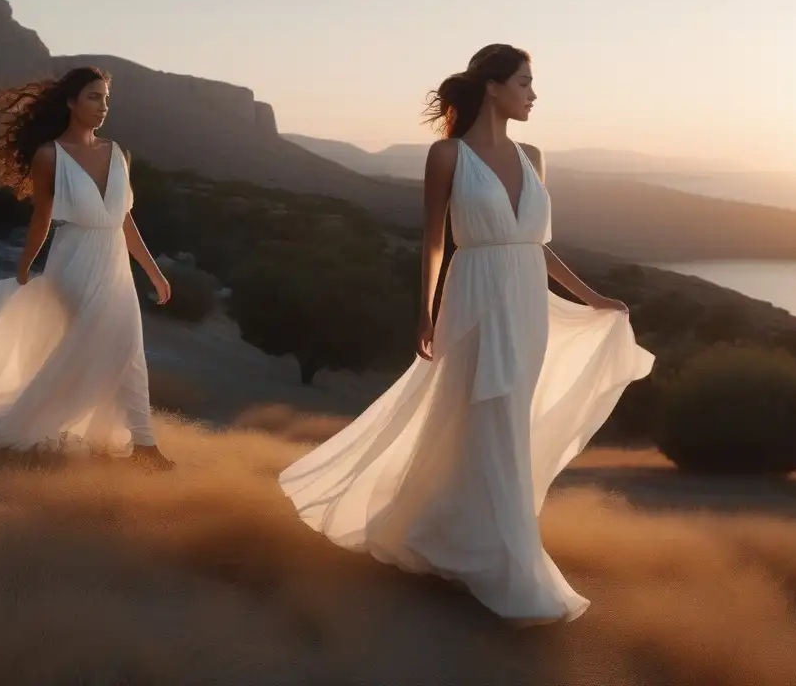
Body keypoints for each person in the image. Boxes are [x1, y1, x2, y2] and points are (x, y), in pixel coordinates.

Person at [278, 45, 654, 624]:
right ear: (494, 87)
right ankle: (505, 566)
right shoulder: (447, 155)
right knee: (480, 417)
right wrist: (424, 311)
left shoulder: (532, 154)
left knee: (507, 423)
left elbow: (535, 243)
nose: (534, 94)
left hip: (527, 301)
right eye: (525, 82)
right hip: (474, 296)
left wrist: (594, 298)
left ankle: (461, 541)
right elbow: (434, 240)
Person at [0, 66, 173, 468]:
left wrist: (153, 272)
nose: (103, 107)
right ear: (71, 102)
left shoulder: (119, 153)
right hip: (74, 264)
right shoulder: (50, 156)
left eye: (106, 99)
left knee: (129, 348)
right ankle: (59, 433)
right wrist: (25, 269)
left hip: (115, 266)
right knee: (100, 348)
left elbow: (124, 220)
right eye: (93, 97)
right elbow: (41, 219)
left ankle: (142, 446)